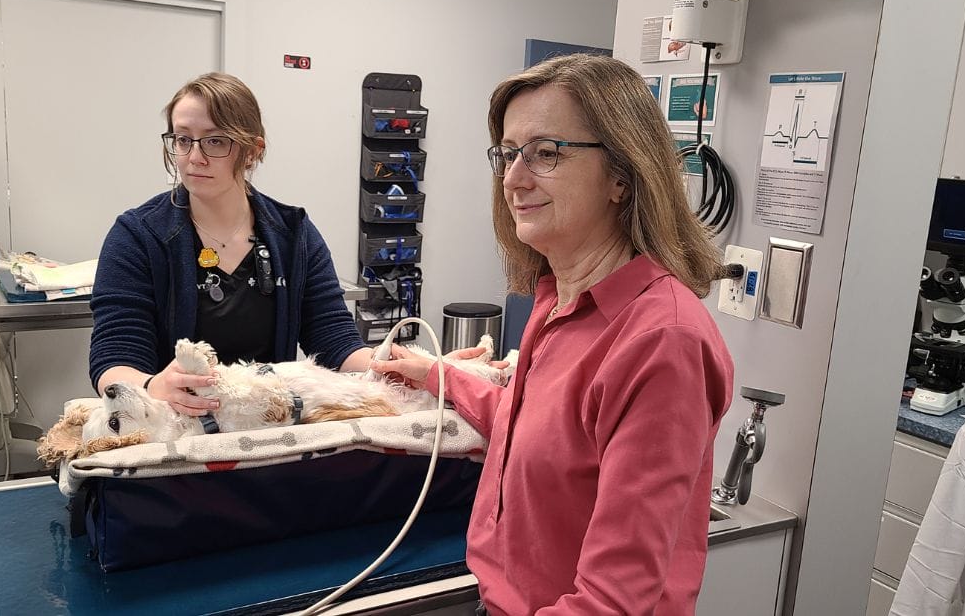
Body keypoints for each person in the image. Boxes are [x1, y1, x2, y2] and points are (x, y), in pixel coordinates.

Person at [373, 54, 735, 614]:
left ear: (621, 173)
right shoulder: (556, 302)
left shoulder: (662, 340)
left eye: (546, 153)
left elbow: (613, 601)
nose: (514, 179)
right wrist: (436, 374)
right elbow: (529, 425)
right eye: (508, 154)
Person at [89, 72, 377, 414]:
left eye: (215, 141)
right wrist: (154, 386)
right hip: (173, 428)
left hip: (266, 427)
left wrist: (390, 365)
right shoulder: (137, 236)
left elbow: (335, 341)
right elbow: (114, 359)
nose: (194, 157)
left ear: (253, 151)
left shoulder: (293, 234)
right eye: (183, 139)